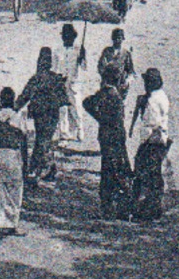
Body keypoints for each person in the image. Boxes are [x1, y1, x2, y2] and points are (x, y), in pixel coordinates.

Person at [0, 88, 31, 238]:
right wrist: (26, 165)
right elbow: (23, 142)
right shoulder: (18, 117)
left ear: (1, 100)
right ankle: (12, 225)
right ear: (13, 100)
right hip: (14, 155)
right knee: (15, 192)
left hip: (0, 154)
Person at [83, 76, 132, 220]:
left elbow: (87, 102)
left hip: (105, 136)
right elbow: (117, 122)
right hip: (115, 138)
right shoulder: (114, 95)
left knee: (107, 170)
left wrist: (99, 118)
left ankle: (107, 207)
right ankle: (115, 208)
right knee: (117, 171)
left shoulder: (103, 93)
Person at [18, 47, 69, 182]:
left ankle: (35, 171)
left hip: (42, 115)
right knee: (44, 141)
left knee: (42, 141)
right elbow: (64, 101)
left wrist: (12, 109)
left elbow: (24, 96)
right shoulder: (55, 79)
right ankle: (49, 168)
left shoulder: (37, 78)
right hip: (52, 116)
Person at [129, 68, 172, 222]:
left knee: (145, 175)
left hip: (151, 142)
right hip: (160, 142)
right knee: (154, 175)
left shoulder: (152, 100)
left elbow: (153, 124)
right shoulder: (161, 95)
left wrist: (145, 145)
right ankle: (154, 207)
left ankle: (147, 210)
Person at [53, 24, 88, 142]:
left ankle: (79, 129)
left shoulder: (79, 49)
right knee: (62, 109)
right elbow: (54, 68)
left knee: (76, 107)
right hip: (61, 82)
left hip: (74, 83)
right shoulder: (58, 50)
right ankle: (64, 134)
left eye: (71, 37)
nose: (68, 39)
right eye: (66, 36)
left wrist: (82, 57)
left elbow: (84, 67)